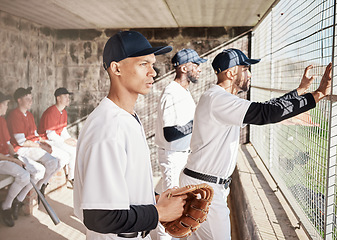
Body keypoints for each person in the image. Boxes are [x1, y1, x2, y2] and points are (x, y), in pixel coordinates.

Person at [179, 48, 332, 240]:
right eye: (246, 68)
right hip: (204, 187)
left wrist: (299, 91)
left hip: (203, 183)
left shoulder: (218, 98)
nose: (249, 74)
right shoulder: (219, 99)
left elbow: (268, 107)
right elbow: (265, 113)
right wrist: (317, 95)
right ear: (232, 72)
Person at [73, 30, 187, 239]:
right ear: (116, 68)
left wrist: (155, 199)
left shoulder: (127, 115)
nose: (153, 72)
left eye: (152, 64)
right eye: (143, 64)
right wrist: (159, 212)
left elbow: (124, 184)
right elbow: (99, 216)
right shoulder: (108, 128)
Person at [153, 49, 207, 240]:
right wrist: (197, 122)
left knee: (161, 194)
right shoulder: (171, 93)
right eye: (196, 65)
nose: (199, 69)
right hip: (173, 155)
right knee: (170, 208)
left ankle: (147, 208)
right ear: (184, 67)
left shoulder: (182, 91)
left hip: (181, 155)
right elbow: (171, 133)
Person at [0, 91, 45, 227]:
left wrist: (16, 156)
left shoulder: (1, 120)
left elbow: (7, 143)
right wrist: (14, 160)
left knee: (39, 170)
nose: (7, 106)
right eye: (5, 104)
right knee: (23, 175)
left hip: (7, 157)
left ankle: (18, 199)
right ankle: (6, 206)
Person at [7, 87, 59, 199]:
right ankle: (23, 196)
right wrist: (40, 146)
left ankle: (39, 188)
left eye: (31, 98)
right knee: (50, 163)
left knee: (56, 162)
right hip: (19, 149)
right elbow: (21, 142)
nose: (31, 101)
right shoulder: (14, 115)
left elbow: (35, 135)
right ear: (19, 100)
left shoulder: (29, 115)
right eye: (27, 99)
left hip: (31, 147)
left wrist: (44, 143)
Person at [38, 87, 76, 186]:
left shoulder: (63, 112)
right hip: (46, 140)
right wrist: (65, 142)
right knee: (71, 152)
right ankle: (71, 178)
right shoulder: (51, 112)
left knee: (75, 146)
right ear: (58, 98)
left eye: (68, 97)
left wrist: (69, 139)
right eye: (65, 96)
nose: (68, 99)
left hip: (56, 139)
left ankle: (71, 176)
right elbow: (50, 134)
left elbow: (63, 129)